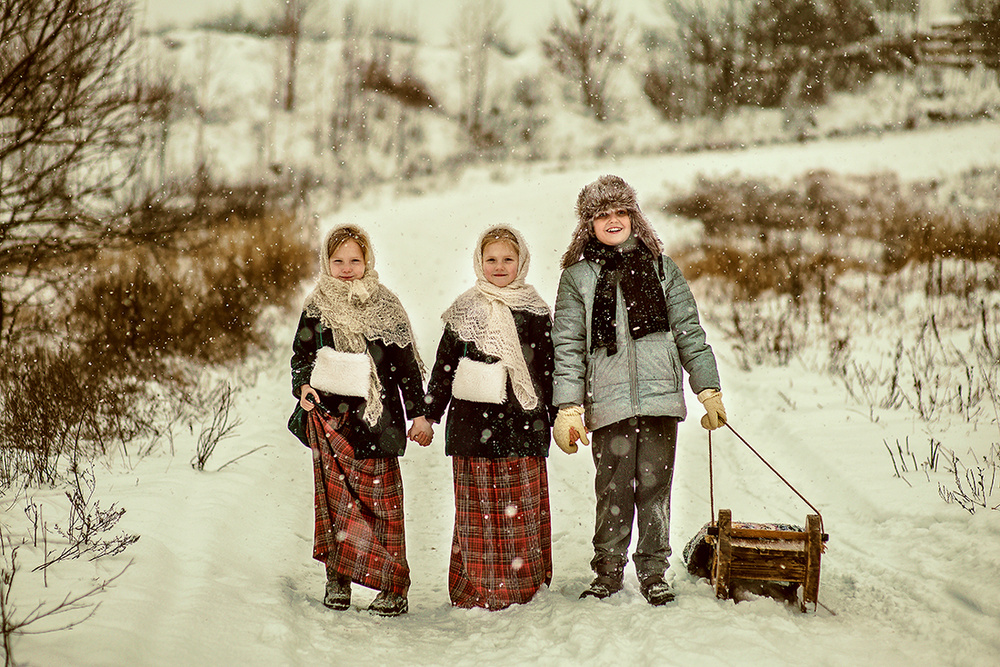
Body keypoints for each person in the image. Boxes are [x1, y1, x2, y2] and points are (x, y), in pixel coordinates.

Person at [551, 175, 727, 606]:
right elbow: (568, 346)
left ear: (633, 216)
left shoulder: (663, 269)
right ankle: (608, 571)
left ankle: (653, 570)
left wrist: (708, 389)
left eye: (620, 212)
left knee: (654, 488)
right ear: (587, 224)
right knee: (612, 490)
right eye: (602, 215)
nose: (613, 220)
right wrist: (568, 408)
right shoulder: (577, 278)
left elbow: (689, 332)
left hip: (660, 398)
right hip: (607, 401)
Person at [290, 224, 432, 617]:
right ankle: (338, 578)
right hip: (331, 421)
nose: (347, 267)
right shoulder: (316, 307)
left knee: (383, 505)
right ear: (326, 263)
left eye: (355, 259)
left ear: (367, 260)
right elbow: (301, 358)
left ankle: (392, 587)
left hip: (378, 420)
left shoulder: (386, 305)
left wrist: (419, 414)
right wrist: (303, 388)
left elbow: (406, 369)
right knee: (336, 507)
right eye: (338, 261)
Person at [412, 226, 554, 610]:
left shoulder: (536, 311)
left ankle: (520, 587)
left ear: (521, 261)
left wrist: (561, 419)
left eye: (508, 259)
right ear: (479, 261)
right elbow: (443, 369)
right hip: (472, 428)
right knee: (477, 515)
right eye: (491, 259)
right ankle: (476, 588)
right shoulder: (465, 310)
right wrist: (427, 415)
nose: (499, 266)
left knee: (519, 510)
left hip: (524, 427)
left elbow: (549, 371)